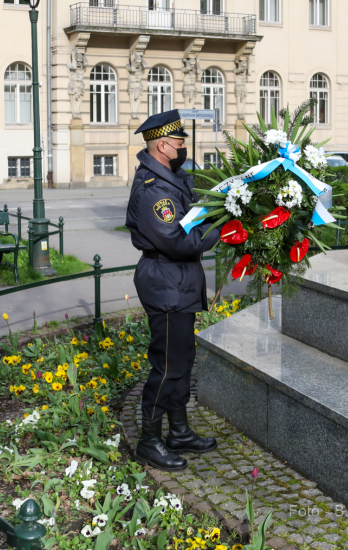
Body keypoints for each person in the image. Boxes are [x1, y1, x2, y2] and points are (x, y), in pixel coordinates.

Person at [126, 109, 221, 471]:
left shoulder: (173, 179)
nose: (184, 147)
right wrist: (220, 231)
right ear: (163, 145)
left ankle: (178, 431)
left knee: (182, 360)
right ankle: (149, 440)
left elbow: (194, 213)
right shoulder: (153, 191)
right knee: (167, 366)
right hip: (166, 279)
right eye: (179, 142)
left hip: (177, 281)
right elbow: (179, 241)